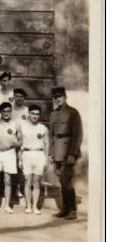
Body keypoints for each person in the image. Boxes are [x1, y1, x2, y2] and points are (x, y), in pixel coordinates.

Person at [49, 86, 83, 220]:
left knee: (67, 180)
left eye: (60, 96)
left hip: (67, 150)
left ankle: (73, 210)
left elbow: (77, 134)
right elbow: (52, 135)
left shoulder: (73, 112)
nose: (58, 99)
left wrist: (72, 154)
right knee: (61, 180)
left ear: (65, 96)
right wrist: (52, 154)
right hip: (57, 151)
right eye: (56, 97)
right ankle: (65, 208)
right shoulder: (53, 114)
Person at [19, 104, 49, 216]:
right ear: (29, 114)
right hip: (26, 154)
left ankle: (35, 206)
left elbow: (47, 145)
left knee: (36, 183)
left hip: (39, 154)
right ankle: (28, 206)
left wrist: (46, 160)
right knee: (27, 181)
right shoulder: (23, 127)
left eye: (37, 114)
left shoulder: (43, 128)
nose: (35, 116)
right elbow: (20, 144)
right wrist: (20, 159)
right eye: (33, 113)